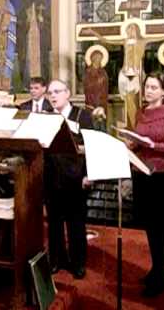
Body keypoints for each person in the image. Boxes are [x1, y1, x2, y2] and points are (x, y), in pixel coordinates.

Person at [126, 71, 164, 297]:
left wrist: (153, 145)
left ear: (163, 91)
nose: (148, 90)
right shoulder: (142, 113)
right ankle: (155, 269)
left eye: (153, 87)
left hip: (163, 176)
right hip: (142, 173)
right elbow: (140, 139)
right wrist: (132, 143)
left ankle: (160, 275)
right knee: (149, 226)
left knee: (160, 227)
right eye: (147, 86)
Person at [44, 79, 93, 279]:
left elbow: (92, 146)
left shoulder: (82, 116)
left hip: (75, 177)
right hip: (51, 176)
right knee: (54, 222)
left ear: (68, 93)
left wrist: (90, 174)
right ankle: (57, 259)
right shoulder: (45, 117)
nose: (53, 96)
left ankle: (78, 262)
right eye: (50, 93)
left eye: (57, 92)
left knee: (76, 223)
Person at [17, 0, 51, 88]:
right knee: (28, 58)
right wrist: (26, 20)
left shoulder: (43, 1)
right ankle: (28, 82)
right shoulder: (23, 2)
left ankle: (42, 82)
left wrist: (42, 20)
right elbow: (19, 22)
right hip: (28, 37)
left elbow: (48, 20)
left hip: (40, 37)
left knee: (40, 58)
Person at [84, 47, 109, 131]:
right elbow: (87, 87)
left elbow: (105, 88)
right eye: (97, 58)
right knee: (92, 127)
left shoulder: (103, 72)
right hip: (91, 103)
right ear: (92, 59)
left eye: (100, 58)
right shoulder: (88, 72)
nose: (98, 60)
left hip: (102, 103)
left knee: (102, 127)